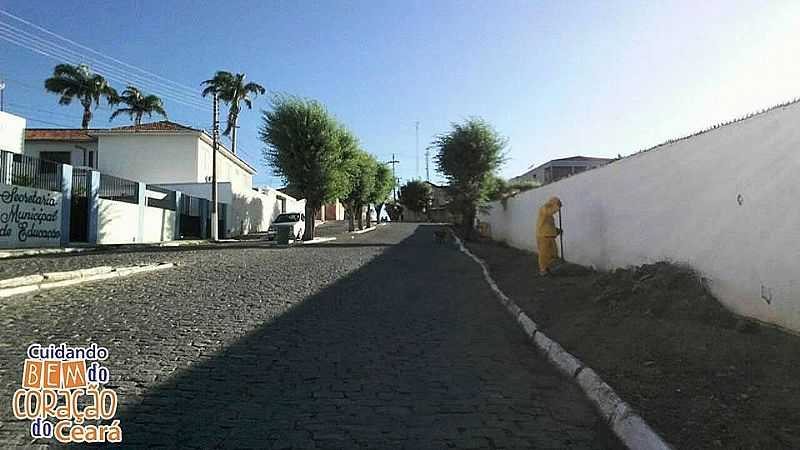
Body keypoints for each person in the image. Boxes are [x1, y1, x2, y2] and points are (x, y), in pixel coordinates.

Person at [536, 196, 562, 275]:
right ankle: (543, 270)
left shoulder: (549, 215)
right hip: (543, 236)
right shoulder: (544, 208)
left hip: (549, 236)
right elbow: (549, 212)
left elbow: (548, 225)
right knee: (544, 254)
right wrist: (557, 206)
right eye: (557, 203)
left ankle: (547, 267)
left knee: (553, 253)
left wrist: (556, 230)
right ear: (553, 203)